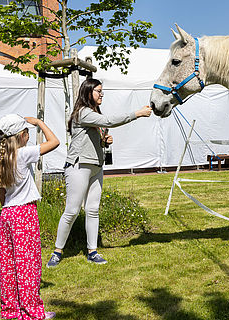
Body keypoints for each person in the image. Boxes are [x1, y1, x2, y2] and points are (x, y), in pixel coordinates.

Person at [46, 78, 152, 268]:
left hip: (96, 166)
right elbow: (109, 121)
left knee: (93, 210)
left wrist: (104, 141)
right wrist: (137, 113)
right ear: (88, 93)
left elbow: (96, 136)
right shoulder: (83, 113)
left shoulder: (94, 113)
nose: (101, 94)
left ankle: (92, 252)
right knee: (72, 210)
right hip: (79, 166)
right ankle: (57, 251)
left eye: (102, 91)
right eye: (98, 91)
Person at [0, 114, 59, 320]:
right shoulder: (23, 154)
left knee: (9, 265)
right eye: (27, 132)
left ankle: (11, 311)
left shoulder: (0, 158)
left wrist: (7, 208)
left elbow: (1, 192)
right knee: (28, 265)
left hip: (8, 214)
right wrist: (39, 122)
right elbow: (54, 142)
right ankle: (32, 312)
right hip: (24, 213)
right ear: (22, 135)